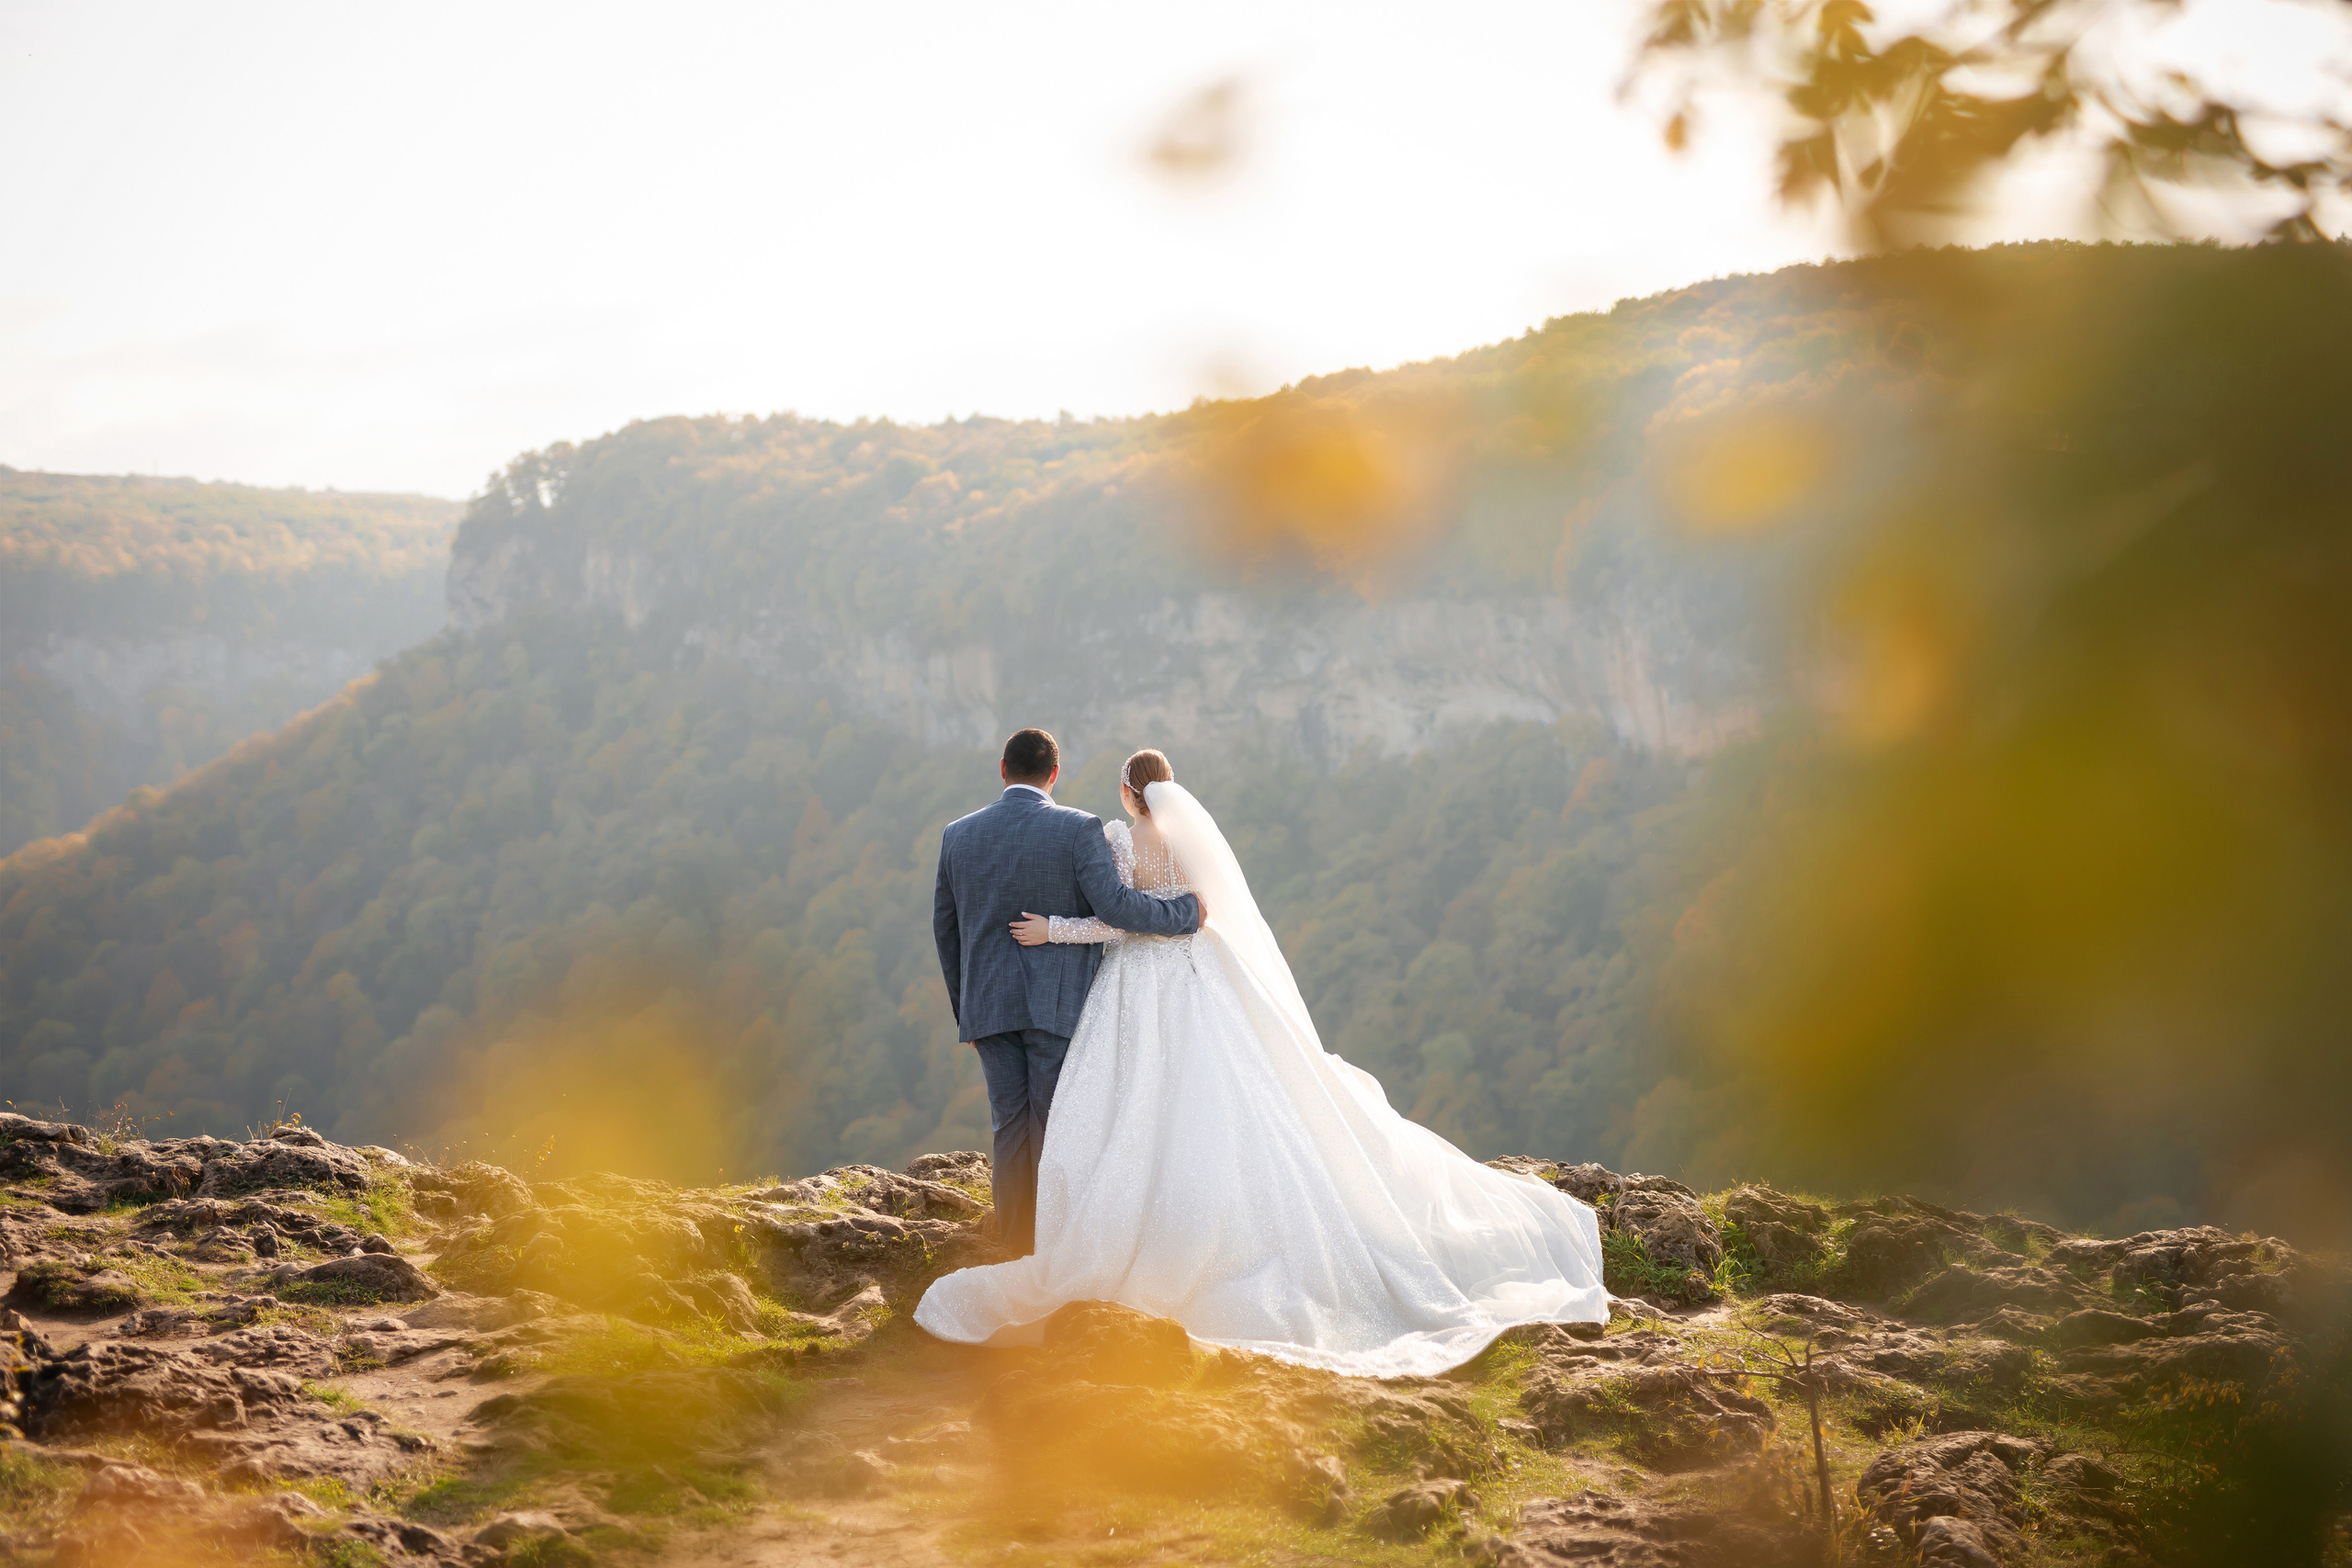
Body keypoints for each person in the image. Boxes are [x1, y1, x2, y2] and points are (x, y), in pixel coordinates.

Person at [915, 748, 1609, 1377]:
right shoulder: (1167, 839)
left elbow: (1115, 916)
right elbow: (1186, 911)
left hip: (1112, 990)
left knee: (1097, 1112)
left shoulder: (1111, 838)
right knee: (1218, 1099)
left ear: (1127, 793)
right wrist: (1177, 914)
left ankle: (1036, 1233)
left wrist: (1052, 932)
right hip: (1198, 977)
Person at [931, 728, 1204, 1257]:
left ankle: (1016, 1248)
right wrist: (1186, 912)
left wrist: (964, 1008)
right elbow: (1118, 910)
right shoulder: (1078, 829)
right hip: (1058, 1002)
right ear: (1053, 774)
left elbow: (946, 930)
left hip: (986, 1006)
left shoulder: (956, 834)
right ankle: (1057, 1247)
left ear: (1003, 769)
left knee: (1009, 1126)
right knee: (1055, 1122)